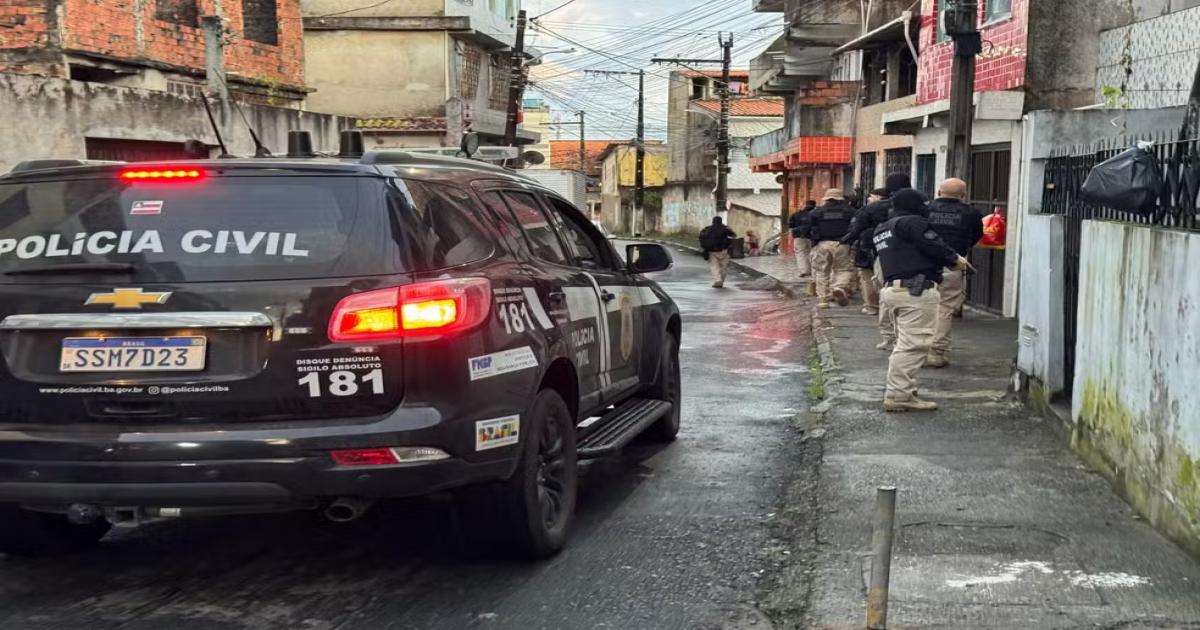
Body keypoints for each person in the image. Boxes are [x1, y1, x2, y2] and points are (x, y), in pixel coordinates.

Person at [872, 189, 972, 412]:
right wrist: (956, 260)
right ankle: (899, 395)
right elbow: (934, 245)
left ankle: (904, 389)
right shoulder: (913, 222)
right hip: (915, 291)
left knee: (904, 344)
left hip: (893, 291)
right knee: (914, 346)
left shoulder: (883, 227)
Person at [925, 178, 984, 368]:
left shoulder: (925, 208)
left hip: (923, 263)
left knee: (919, 306)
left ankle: (913, 349)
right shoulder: (971, 213)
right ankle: (936, 351)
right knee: (944, 308)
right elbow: (976, 235)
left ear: (938, 191)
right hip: (952, 263)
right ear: (963, 194)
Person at [843, 173, 911, 324]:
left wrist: (846, 241)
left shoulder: (872, 209)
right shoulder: (916, 205)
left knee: (869, 278)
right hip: (902, 250)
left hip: (871, 248)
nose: (868, 199)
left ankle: (873, 306)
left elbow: (856, 228)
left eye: (871, 196)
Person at [801, 189, 856, 308]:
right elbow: (855, 227)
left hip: (822, 244)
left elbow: (805, 229)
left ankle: (823, 300)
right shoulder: (850, 211)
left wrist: (812, 240)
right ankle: (839, 287)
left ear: (826, 199)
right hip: (842, 244)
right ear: (840, 198)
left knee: (821, 272)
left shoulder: (816, 212)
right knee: (843, 269)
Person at [699, 216, 736, 288]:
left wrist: (704, 247)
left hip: (712, 251)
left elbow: (701, 237)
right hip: (724, 251)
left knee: (714, 266)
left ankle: (718, 280)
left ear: (713, 221)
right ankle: (721, 281)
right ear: (721, 221)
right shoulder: (725, 228)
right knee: (724, 267)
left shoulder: (707, 229)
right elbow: (734, 235)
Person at [789, 200, 817, 278]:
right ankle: (813, 271)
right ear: (814, 205)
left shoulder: (796, 214)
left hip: (799, 238)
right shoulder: (816, 214)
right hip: (812, 238)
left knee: (801, 254)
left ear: (805, 205)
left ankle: (804, 271)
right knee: (813, 254)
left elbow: (790, 226)